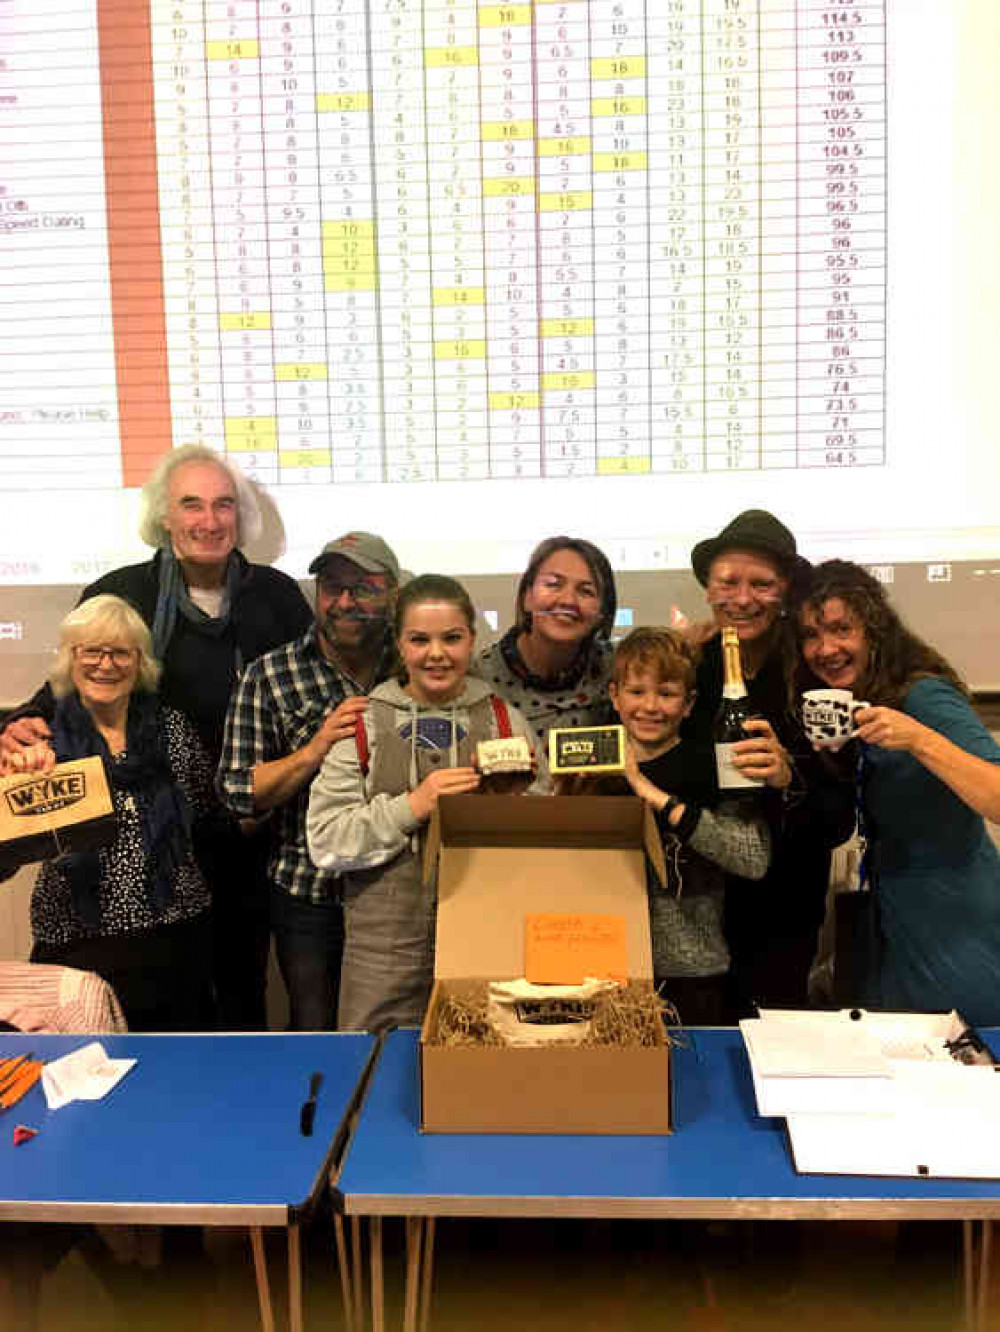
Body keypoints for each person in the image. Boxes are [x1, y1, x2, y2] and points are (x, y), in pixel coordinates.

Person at [0, 445, 312, 1029]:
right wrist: (13, 726)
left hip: (250, 826)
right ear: (164, 517)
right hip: (149, 832)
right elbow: (68, 681)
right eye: (190, 504)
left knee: (240, 989)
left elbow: (309, 692)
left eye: (223, 505)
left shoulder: (276, 596)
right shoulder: (123, 590)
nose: (208, 520)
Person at [306, 574, 544, 1032]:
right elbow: (325, 839)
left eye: (452, 638)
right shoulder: (363, 722)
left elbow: (544, 839)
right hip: (382, 950)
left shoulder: (503, 719)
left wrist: (505, 804)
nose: (437, 654)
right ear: (399, 644)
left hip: (487, 937)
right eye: (420, 640)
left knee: (484, 1068)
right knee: (373, 1066)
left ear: (472, 639)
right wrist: (413, 805)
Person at [794, 559, 1000, 1025]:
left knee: (965, 1061)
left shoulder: (923, 696)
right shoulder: (865, 698)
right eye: (810, 634)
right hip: (893, 917)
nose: (825, 648)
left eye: (841, 629)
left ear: (874, 630)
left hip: (954, 916)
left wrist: (919, 739)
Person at [0, 596, 215, 1031]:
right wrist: (20, 789)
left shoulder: (173, 730)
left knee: (179, 1077)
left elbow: (206, 815)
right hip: (79, 949)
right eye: (91, 650)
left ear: (140, 662)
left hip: (176, 941)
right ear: (69, 658)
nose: (106, 664)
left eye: (121, 652)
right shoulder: (38, 740)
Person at [217, 532, 400, 1030]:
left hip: (401, 889)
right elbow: (238, 792)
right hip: (310, 893)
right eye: (332, 587)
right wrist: (314, 750)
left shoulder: (417, 664)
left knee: (400, 1027)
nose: (345, 602)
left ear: (394, 595)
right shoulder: (270, 675)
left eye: (363, 588)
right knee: (316, 1031)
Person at [684, 510, 855, 1019]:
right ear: (708, 590)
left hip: (782, 906)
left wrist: (787, 777)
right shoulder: (690, 665)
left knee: (773, 1047)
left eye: (761, 584)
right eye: (728, 582)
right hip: (691, 904)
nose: (741, 599)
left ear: (786, 594)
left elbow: (837, 820)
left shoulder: (814, 675)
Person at [605, 628, 771, 1025]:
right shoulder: (588, 760)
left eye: (666, 693)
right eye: (636, 692)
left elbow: (752, 858)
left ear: (689, 703)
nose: (650, 706)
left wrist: (655, 797)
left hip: (691, 970)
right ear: (614, 696)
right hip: (604, 964)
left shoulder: (714, 764)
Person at [476, 536, 616, 751]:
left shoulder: (620, 671)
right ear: (527, 597)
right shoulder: (478, 679)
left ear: (602, 613)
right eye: (553, 584)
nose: (568, 600)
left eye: (586, 591)